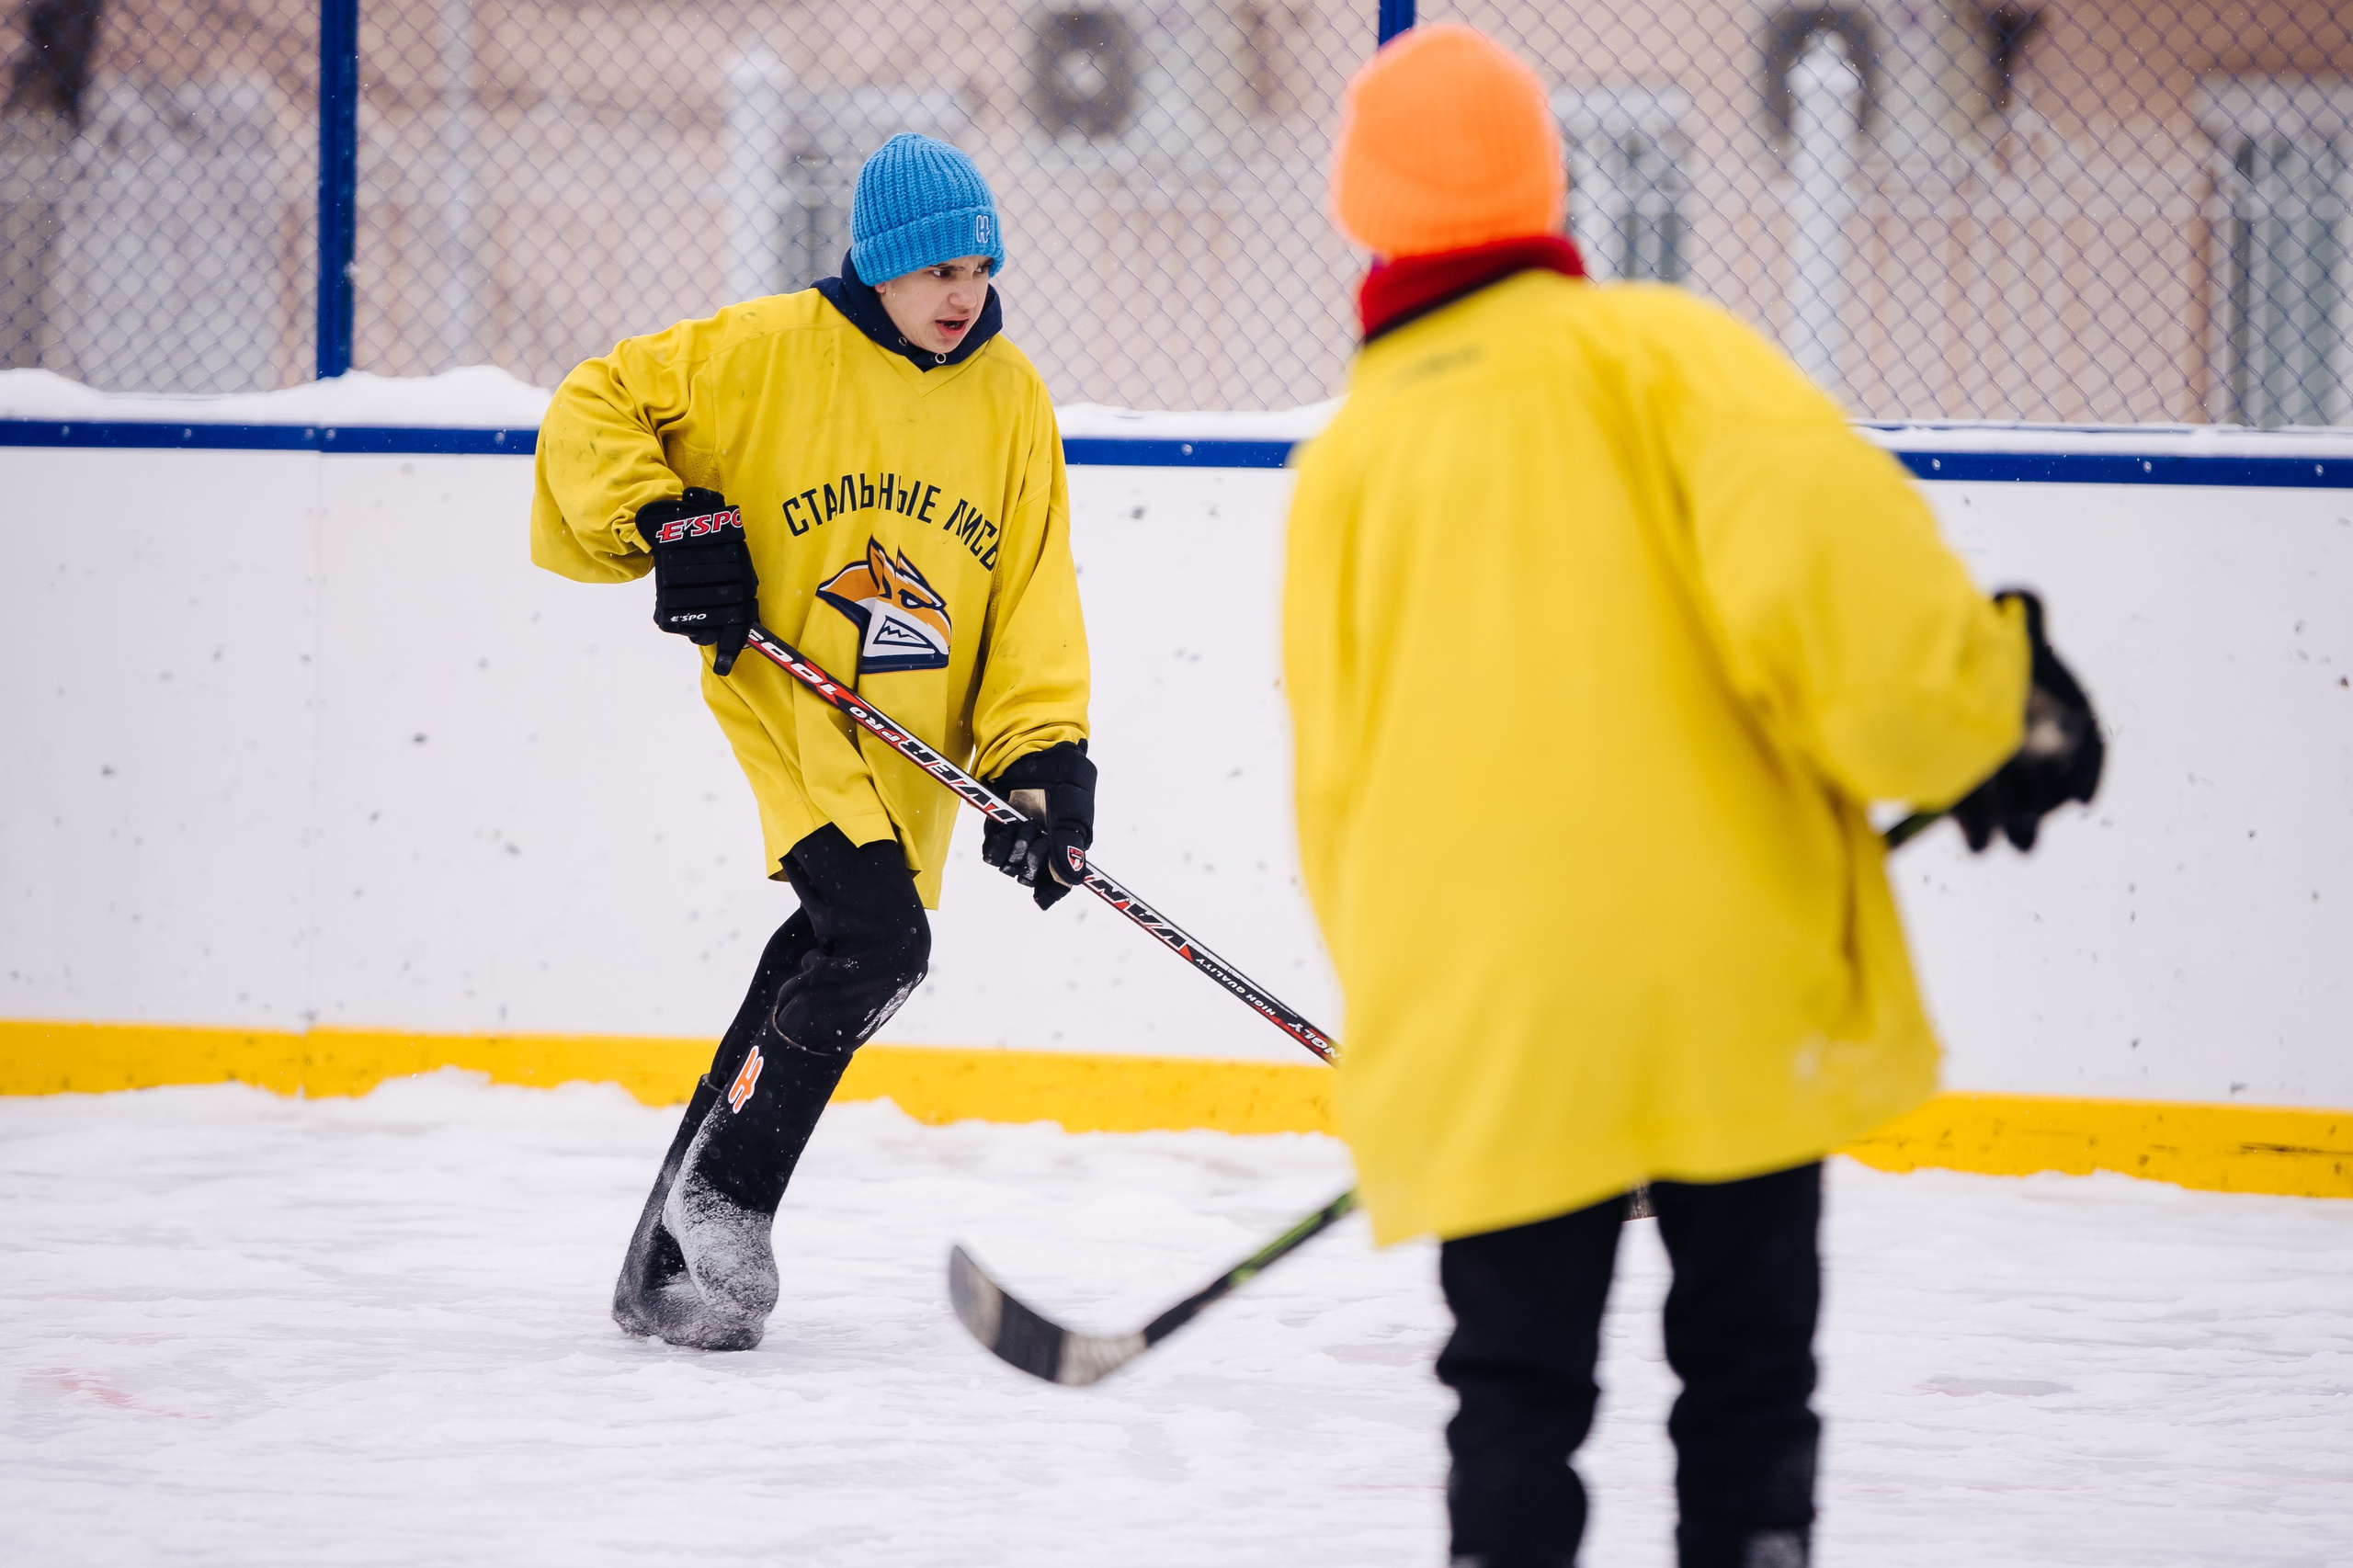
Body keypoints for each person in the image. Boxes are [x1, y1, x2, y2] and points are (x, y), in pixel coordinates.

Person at [1281, 26, 2100, 1568]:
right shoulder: (1667, 353)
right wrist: (1990, 718)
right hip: (1732, 990)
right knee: (1745, 1380)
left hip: (1500, 1019)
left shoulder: (1352, 458)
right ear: (1552, 182)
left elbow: (1342, 774)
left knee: (1513, 1394)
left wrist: (1414, 1017)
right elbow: (1842, 597)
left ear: (1359, 209)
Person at [529, 132, 1097, 1352]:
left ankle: (662, 1263)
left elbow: (1034, 598)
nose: (963, 293)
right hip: (793, 706)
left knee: (830, 944)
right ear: (880, 268)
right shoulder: (766, 352)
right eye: (937, 268)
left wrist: (1042, 762)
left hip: (911, 734)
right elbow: (594, 403)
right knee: (881, 938)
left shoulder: (1013, 401)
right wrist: (670, 521)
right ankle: (730, 1197)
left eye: (981, 266)